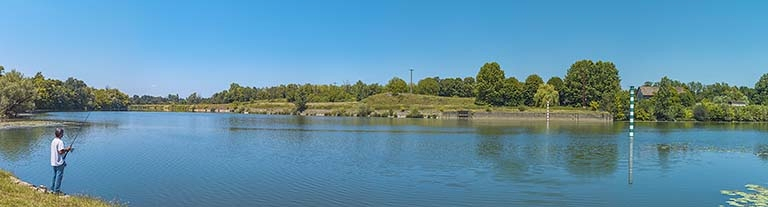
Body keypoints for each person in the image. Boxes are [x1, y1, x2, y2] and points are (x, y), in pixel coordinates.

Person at [50, 128, 73, 194]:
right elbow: (60, 151)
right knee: (59, 176)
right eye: (62, 133)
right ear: (60, 134)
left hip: (53, 161)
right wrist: (67, 149)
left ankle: (52, 189)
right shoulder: (60, 142)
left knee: (54, 176)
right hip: (59, 162)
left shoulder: (53, 141)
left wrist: (66, 150)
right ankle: (57, 191)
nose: (63, 134)